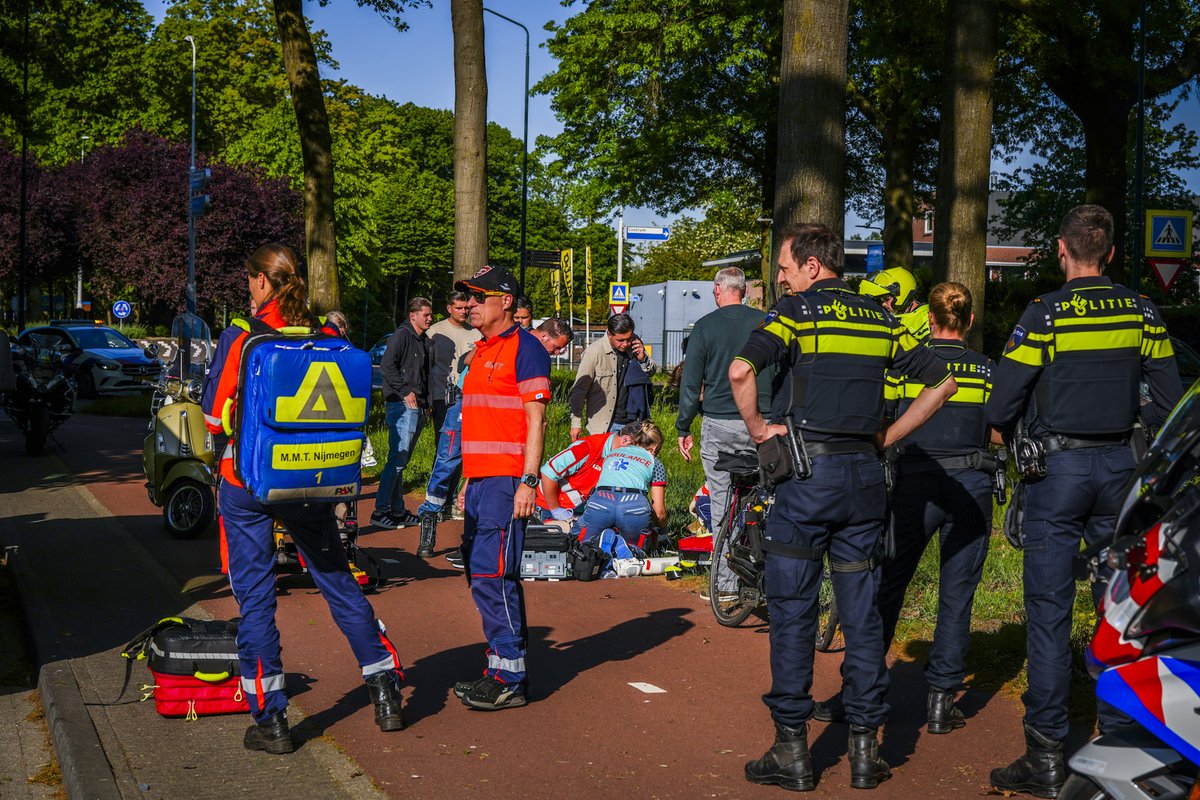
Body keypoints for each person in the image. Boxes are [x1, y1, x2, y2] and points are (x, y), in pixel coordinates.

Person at [729, 223, 956, 792]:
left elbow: (739, 369)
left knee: (793, 609)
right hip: (865, 480)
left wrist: (760, 431)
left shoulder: (797, 313)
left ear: (810, 266)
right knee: (861, 614)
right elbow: (943, 381)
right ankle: (863, 750)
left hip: (807, 478)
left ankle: (792, 750)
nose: (778, 277)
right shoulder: (880, 319)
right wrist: (889, 436)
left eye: (784, 267)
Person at [986, 205, 1182, 798]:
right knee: (1121, 607)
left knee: (1047, 611)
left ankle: (1045, 755)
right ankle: (1122, 742)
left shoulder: (1046, 314)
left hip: (1058, 472)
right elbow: (1170, 398)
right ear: (1113, 254)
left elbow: (999, 404)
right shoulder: (1140, 311)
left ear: (1061, 251)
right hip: (1122, 470)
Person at [202, 244, 405, 755]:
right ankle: (385, 690)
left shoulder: (242, 337)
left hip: (246, 483)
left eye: (250, 280)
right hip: (313, 484)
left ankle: (271, 721)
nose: (248, 287)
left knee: (256, 600)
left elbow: (212, 416)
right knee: (337, 580)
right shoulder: (329, 335)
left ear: (263, 283)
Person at [818, 282, 998, 733]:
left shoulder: (909, 366)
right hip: (971, 488)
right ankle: (940, 702)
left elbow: (885, 416)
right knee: (957, 596)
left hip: (914, 485)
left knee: (885, 587)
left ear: (929, 320)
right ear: (970, 320)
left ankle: (857, 691)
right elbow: (999, 432)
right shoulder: (986, 370)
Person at [451, 265, 551, 711]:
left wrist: (529, 481)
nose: (469, 305)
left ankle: (509, 674)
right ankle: (501, 665)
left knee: (493, 573)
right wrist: (468, 480)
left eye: (477, 297)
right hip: (482, 481)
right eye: (467, 299)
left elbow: (536, 421)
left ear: (505, 300)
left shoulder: (525, 349)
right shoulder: (482, 350)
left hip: (508, 480)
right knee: (481, 573)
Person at [417, 318, 574, 560]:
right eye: (557, 347)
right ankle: (430, 520)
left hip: (491, 420)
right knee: (447, 464)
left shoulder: (526, 349)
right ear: (544, 337)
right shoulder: (513, 340)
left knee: (480, 475)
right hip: (465, 408)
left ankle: (471, 543)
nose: (558, 352)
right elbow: (465, 361)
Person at [676, 266, 771, 601]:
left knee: (722, 501)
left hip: (720, 422)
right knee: (767, 500)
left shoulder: (705, 327)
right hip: (762, 422)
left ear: (718, 290)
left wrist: (683, 425)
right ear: (743, 290)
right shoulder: (766, 322)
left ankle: (727, 586)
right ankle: (769, 577)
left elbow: (691, 382)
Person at [371, 298, 433, 529]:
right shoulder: (402, 336)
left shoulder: (422, 340)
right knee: (397, 459)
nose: (430, 318)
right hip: (401, 404)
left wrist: (425, 402)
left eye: (430, 314)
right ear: (412, 315)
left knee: (402, 460)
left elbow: (422, 375)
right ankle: (380, 510)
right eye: (425, 314)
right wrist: (405, 391)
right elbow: (387, 366)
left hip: (416, 406)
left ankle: (396, 509)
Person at [570, 420, 668, 557]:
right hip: (634, 504)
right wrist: (663, 530)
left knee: (578, 544)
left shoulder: (611, 454)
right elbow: (659, 511)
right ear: (656, 447)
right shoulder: (655, 463)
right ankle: (630, 549)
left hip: (601, 500)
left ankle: (596, 543)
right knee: (639, 549)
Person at [570, 313, 656, 439]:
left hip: (634, 423)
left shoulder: (636, 344)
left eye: (629, 338)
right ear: (609, 335)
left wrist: (643, 359)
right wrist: (576, 423)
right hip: (604, 426)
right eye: (620, 340)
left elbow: (651, 372)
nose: (626, 344)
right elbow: (579, 390)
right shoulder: (594, 352)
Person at [536, 423, 639, 523]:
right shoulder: (586, 447)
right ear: (626, 440)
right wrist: (556, 509)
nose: (639, 459)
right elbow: (548, 473)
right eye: (639, 453)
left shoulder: (618, 456)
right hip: (551, 506)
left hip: (581, 509)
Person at [426, 291, 481, 435]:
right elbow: (426, 366)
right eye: (458, 308)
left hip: (466, 395)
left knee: (463, 439)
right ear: (449, 308)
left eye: (466, 308)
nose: (463, 312)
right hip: (441, 396)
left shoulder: (476, 334)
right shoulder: (435, 332)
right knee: (443, 440)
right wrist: (428, 396)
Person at [858, 266, 929, 339]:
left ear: (902, 293)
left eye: (887, 298)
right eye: (881, 300)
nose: (883, 304)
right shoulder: (888, 317)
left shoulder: (927, 320)